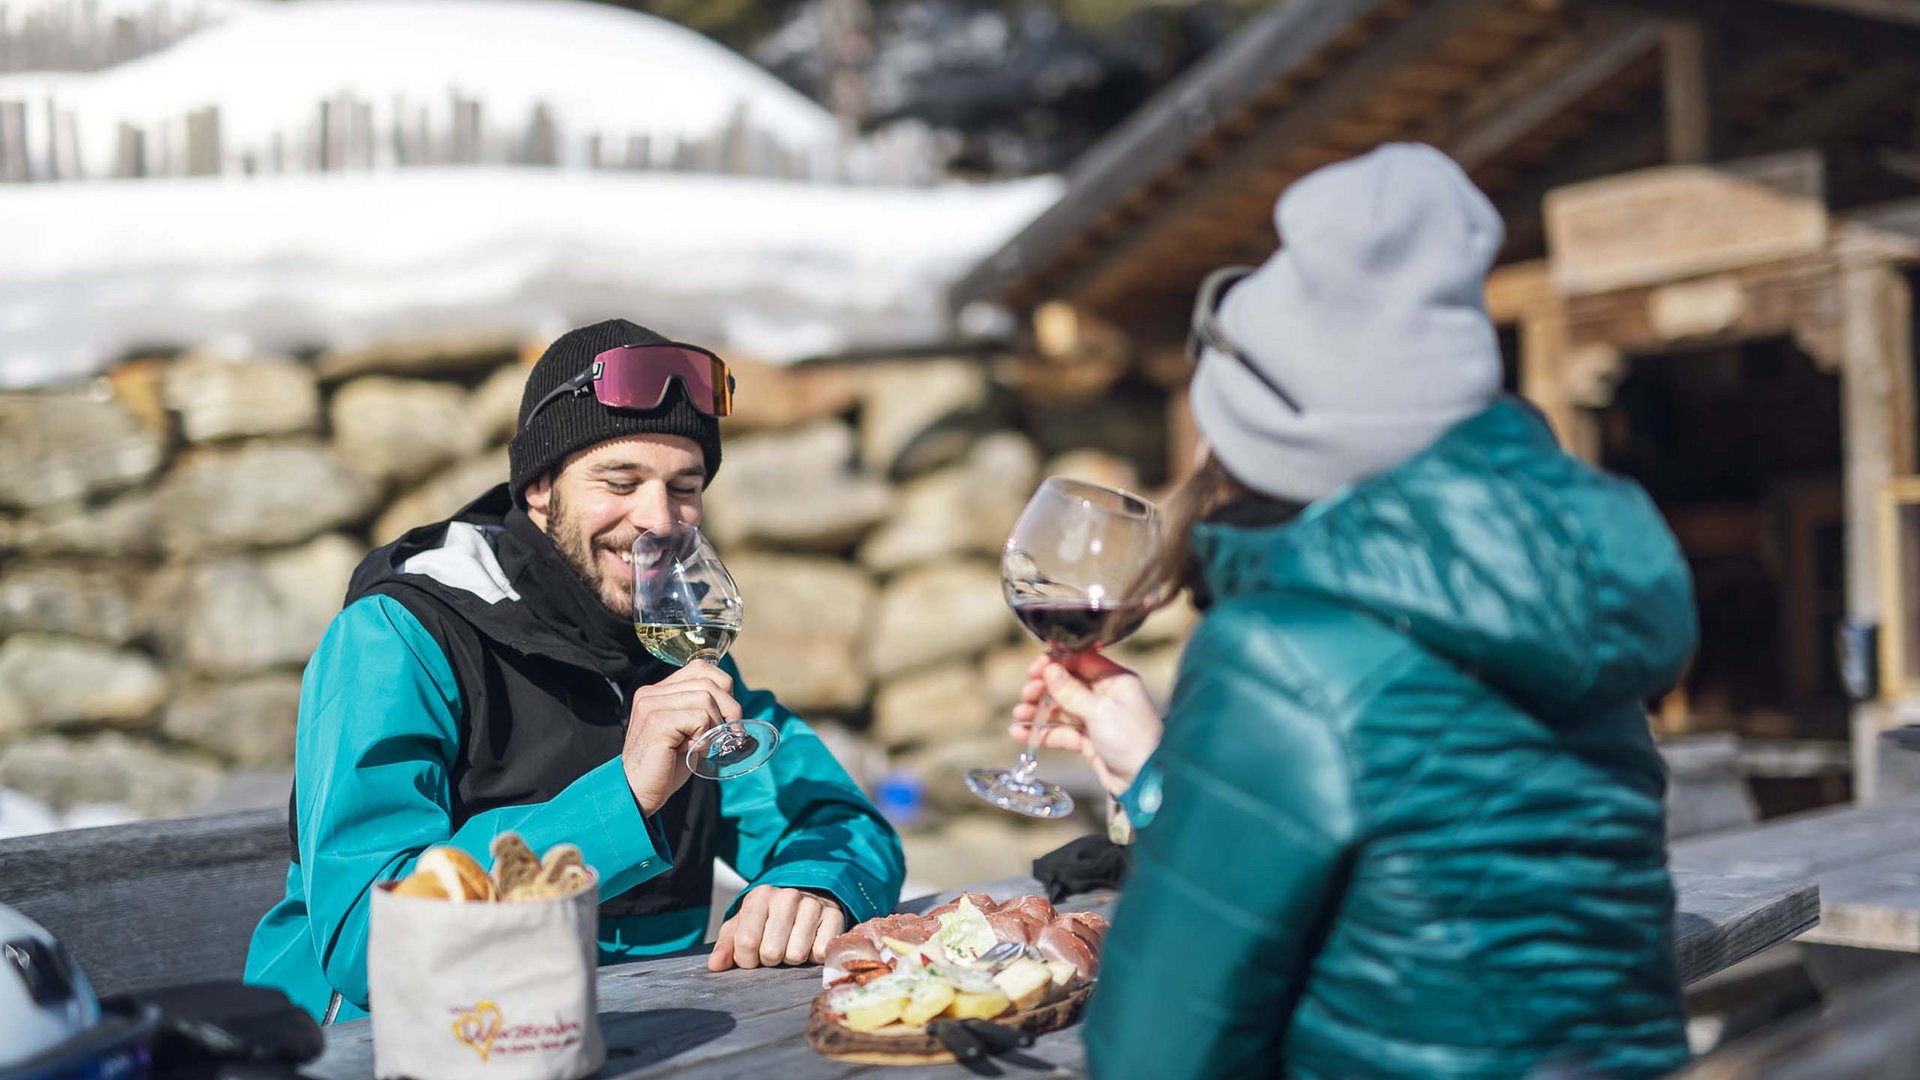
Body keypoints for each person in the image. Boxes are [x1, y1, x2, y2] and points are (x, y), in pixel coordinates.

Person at [1012, 144, 1696, 1079]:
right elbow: (1422, 886)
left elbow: (1156, 1053)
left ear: (1266, 431)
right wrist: (1166, 773)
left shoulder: (1282, 657)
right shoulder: (1556, 611)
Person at [245, 319, 905, 1023]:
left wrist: (814, 885)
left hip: (635, 1033)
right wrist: (623, 796)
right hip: (383, 1046)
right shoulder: (398, 638)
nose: (660, 519)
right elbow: (372, 943)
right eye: (620, 480)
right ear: (538, 487)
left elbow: (833, 815)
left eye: (684, 486)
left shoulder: (674, 641)